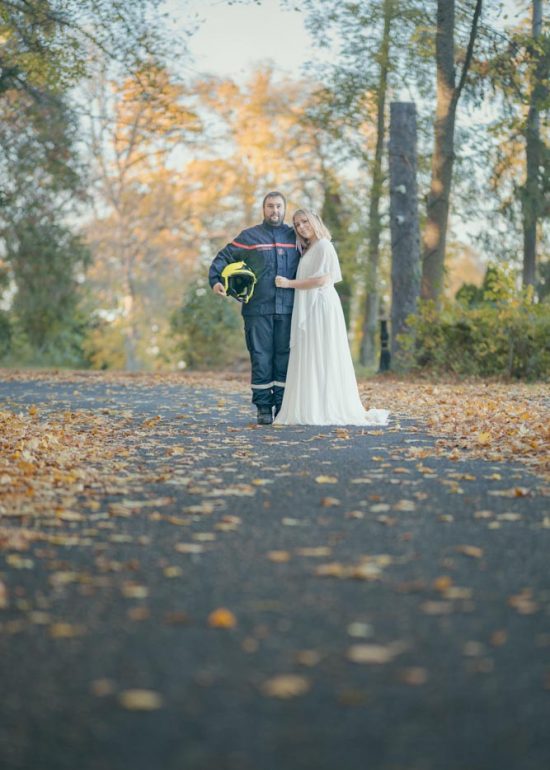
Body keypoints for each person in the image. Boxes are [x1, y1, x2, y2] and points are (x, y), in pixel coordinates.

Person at [274, 209, 389, 426]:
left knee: (321, 353)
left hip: (320, 306)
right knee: (312, 353)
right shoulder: (310, 249)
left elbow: (321, 280)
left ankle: (325, 408)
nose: (301, 227)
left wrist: (288, 283)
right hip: (311, 304)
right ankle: (311, 405)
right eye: (297, 224)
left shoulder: (324, 245)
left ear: (315, 220)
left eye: (304, 221)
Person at [209, 192, 300, 424]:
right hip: (256, 309)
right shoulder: (250, 236)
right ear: (263, 209)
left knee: (284, 358)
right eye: (270, 206)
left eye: (279, 206)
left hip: (289, 309)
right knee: (261, 357)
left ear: (285, 209)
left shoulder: (294, 236)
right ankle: (262, 407)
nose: (275, 211)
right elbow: (223, 257)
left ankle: (282, 407)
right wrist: (216, 281)